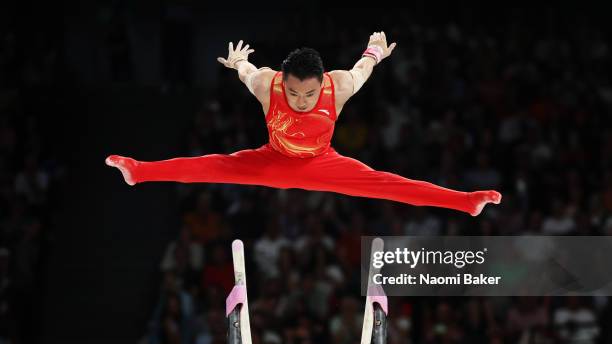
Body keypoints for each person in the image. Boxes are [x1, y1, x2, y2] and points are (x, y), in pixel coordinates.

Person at [105, 32, 501, 215]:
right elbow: (245, 70)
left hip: (322, 163)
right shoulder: (266, 84)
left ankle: (465, 202)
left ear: (321, 83)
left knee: (387, 184)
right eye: (293, 93)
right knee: (211, 165)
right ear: (283, 81)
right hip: (272, 161)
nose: (299, 101)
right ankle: (139, 172)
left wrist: (374, 52)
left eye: (308, 95)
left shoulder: (339, 87)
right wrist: (239, 61)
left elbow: (363, 69)